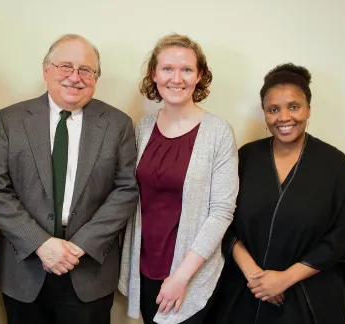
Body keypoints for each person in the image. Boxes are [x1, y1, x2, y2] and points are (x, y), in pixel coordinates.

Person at [0, 34, 139, 324]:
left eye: (86, 70)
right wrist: (41, 243)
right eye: (65, 66)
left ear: (96, 77)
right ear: (46, 70)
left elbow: (126, 190)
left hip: (88, 269)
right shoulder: (10, 120)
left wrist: (81, 245)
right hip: (24, 269)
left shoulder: (118, 124)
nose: (74, 77)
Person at [206, 63, 345, 324]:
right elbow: (223, 217)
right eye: (273, 109)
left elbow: (342, 234)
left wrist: (284, 279)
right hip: (245, 290)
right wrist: (256, 277)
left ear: (308, 108)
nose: (284, 117)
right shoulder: (245, 158)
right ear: (265, 114)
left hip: (308, 296)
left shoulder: (335, 165)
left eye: (294, 106)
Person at [118, 34, 239, 324]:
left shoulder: (218, 132)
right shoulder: (142, 128)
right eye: (167, 68)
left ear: (200, 76)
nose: (177, 78)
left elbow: (222, 211)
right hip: (145, 265)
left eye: (186, 69)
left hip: (191, 272)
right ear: (154, 75)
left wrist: (181, 277)